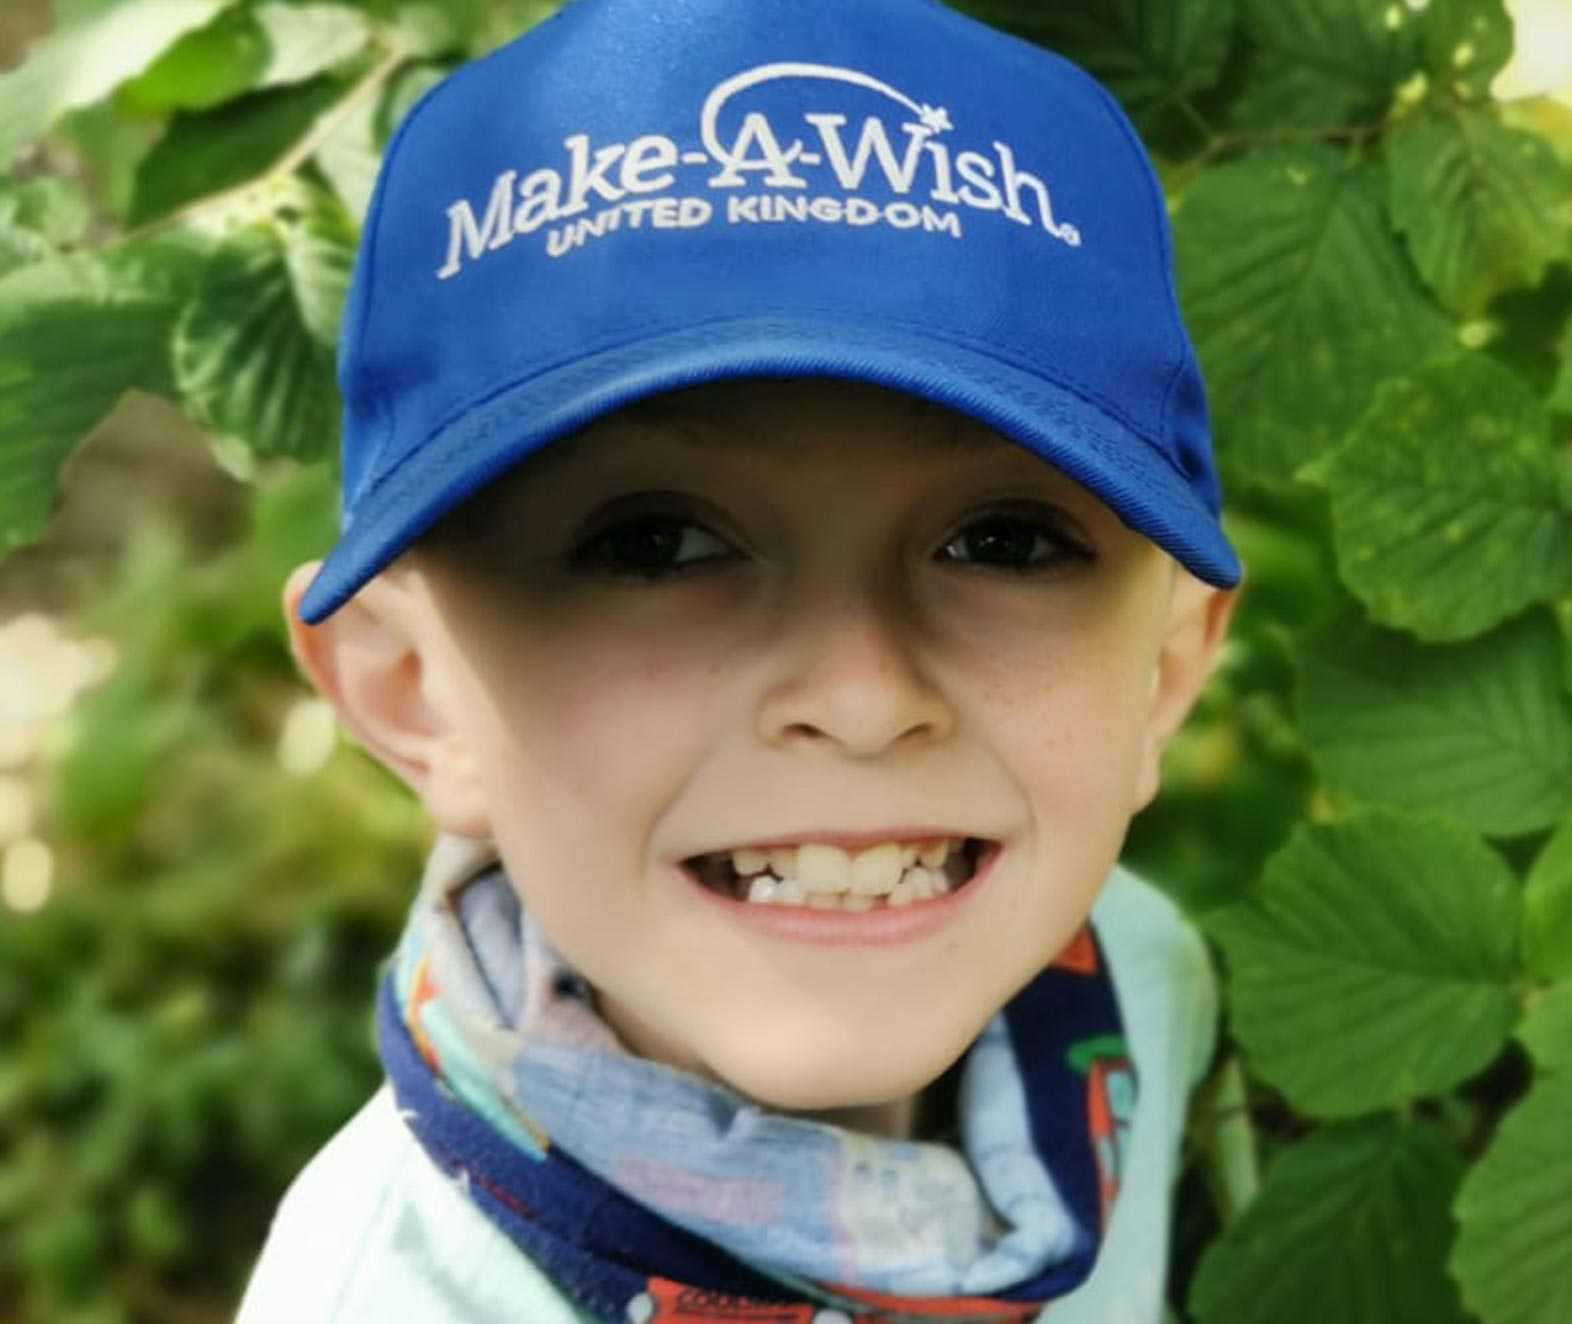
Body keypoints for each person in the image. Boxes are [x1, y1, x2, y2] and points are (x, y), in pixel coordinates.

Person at [235, 0, 1241, 1319]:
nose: (865, 694)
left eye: (1003, 538)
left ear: (1163, 674)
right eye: (654, 546)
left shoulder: (1137, 990)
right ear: (417, 696)